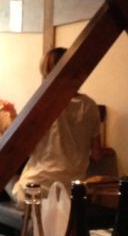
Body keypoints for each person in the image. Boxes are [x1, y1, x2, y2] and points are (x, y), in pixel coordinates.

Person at [12, 47, 102, 204]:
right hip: (72, 193)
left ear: (46, 72)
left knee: (2, 179)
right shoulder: (90, 105)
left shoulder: (41, 103)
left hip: (37, 189)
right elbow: (97, 154)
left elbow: (26, 150)